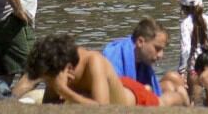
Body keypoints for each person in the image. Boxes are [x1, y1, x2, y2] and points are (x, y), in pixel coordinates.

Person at [15, 33, 148, 105]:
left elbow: (103, 109)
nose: (50, 84)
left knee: (164, 99)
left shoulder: (93, 62)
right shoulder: (56, 66)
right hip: (114, 83)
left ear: (68, 68)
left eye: (49, 80)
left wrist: (63, 90)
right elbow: (49, 105)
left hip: (138, 97)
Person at [101, 18, 187, 107]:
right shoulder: (114, 56)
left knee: (173, 79)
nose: (161, 55)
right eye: (157, 49)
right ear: (140, 42)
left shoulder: (141, 58)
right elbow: (115, 91)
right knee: (175, 95)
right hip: (121, 96)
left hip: (132, 92)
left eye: (162, 50)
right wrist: (144, 90)